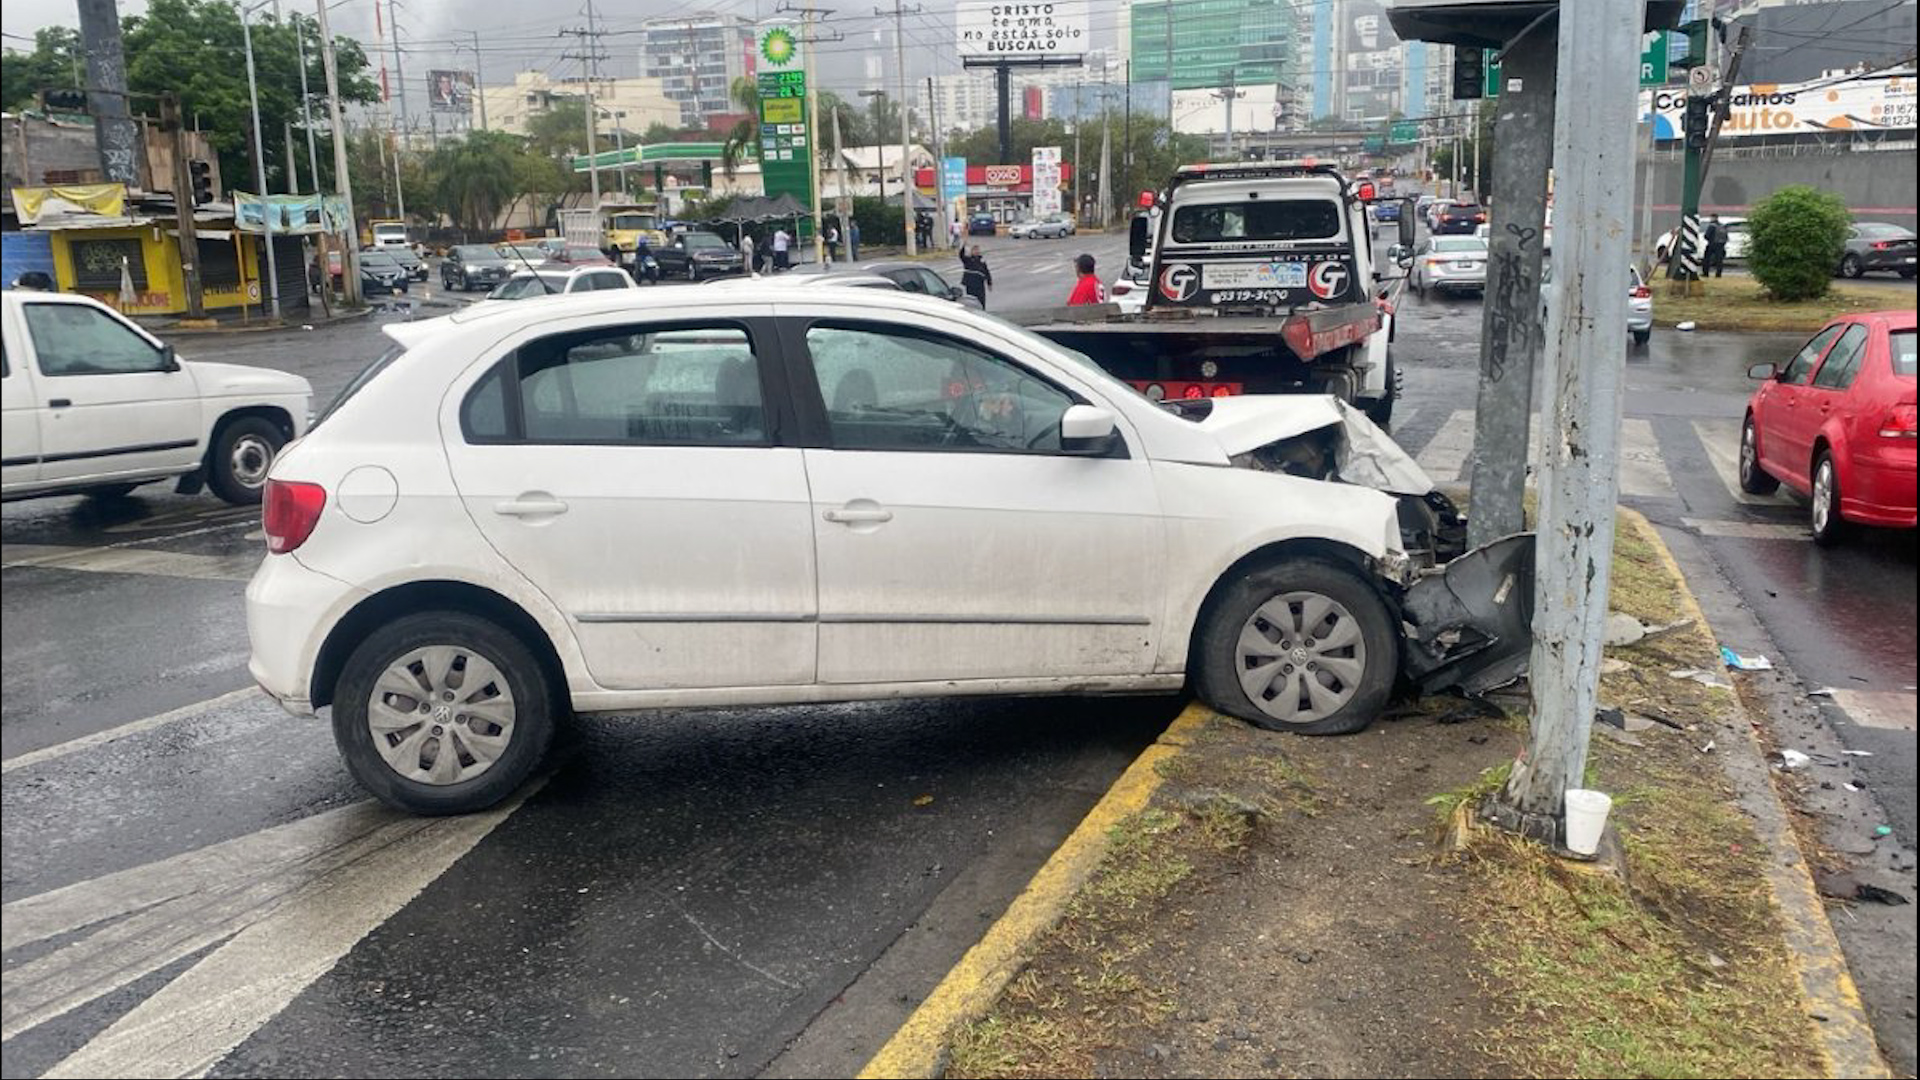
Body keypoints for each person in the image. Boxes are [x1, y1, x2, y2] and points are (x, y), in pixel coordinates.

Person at [1703, 214, 1728, 278]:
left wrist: (1709, 240)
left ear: (1713, 218)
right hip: (1720, 244)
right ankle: (1718, 274)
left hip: (1712, 244)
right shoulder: (1722, 225)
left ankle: (1706, 273)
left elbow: (1706, 236)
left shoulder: (1712, 226)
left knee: (1707, 259)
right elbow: (1726, 236)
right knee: (1719, 260)